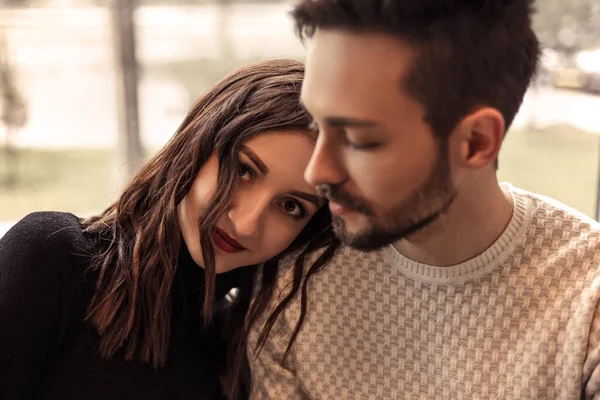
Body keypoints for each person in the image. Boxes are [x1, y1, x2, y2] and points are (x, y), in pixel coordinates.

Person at [248, 1, 600, 399]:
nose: (317, 172)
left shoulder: (588, 304)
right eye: (317, 122)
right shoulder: (295, 287)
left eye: (360, 140)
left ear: (475, 142)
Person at [0, 59, 339, 400]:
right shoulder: (52, 258)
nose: (247, 223)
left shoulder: (237, 355)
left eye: (291, 206)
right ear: (198, 141)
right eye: (243, 170)